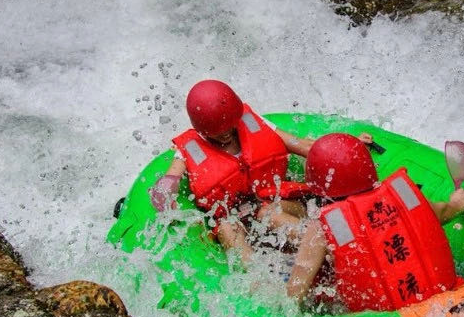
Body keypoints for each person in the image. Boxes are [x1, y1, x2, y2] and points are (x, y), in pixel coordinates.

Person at [150, 80, 368, 263]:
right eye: (217, 133)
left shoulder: (253, 123)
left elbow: (303, 146)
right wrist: (163, 194)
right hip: (239, 223)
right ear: (201, 129)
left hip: (281, 207)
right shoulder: (188, 149)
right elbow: (172, 178)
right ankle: (260, 284)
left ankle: (335, 253)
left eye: (229, 128)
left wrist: (345, 146)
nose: (225, 135)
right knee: (226, 226)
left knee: (267, 213)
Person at [283, 132, 464, 311]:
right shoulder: (401, 193)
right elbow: (441, 213)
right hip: (446, 300)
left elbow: (295, 293)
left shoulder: (323, 226)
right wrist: (457, 204)